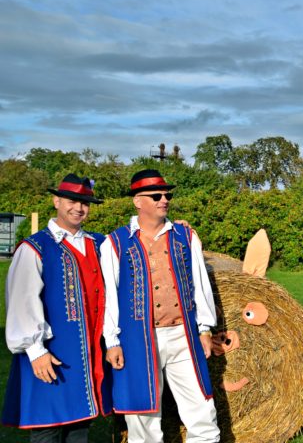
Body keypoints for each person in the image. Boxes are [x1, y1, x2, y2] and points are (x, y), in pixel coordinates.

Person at [100, 169, 219, 443]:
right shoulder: (115, 243)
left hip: (184, 336)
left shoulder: (186, 237)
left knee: (203, 411)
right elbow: (109, 297)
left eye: (167, 194)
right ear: (137, 201)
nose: (164, 199)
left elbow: (200, 285)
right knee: (143, 419)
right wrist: (112, 341)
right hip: (138, 339)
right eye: (156, 195)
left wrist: (204, 328)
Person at [2, 173, 112, 443]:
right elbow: (21, 301)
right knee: (47, 430)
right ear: (56, 201)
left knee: (79, 429)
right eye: (71, 200)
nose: (78, 207)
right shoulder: (35, 247)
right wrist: (35, 350)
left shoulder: (100, 244)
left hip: (87, 354)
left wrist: (174, 225)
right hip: (49, 354)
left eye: (85, 202)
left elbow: (137, 240)